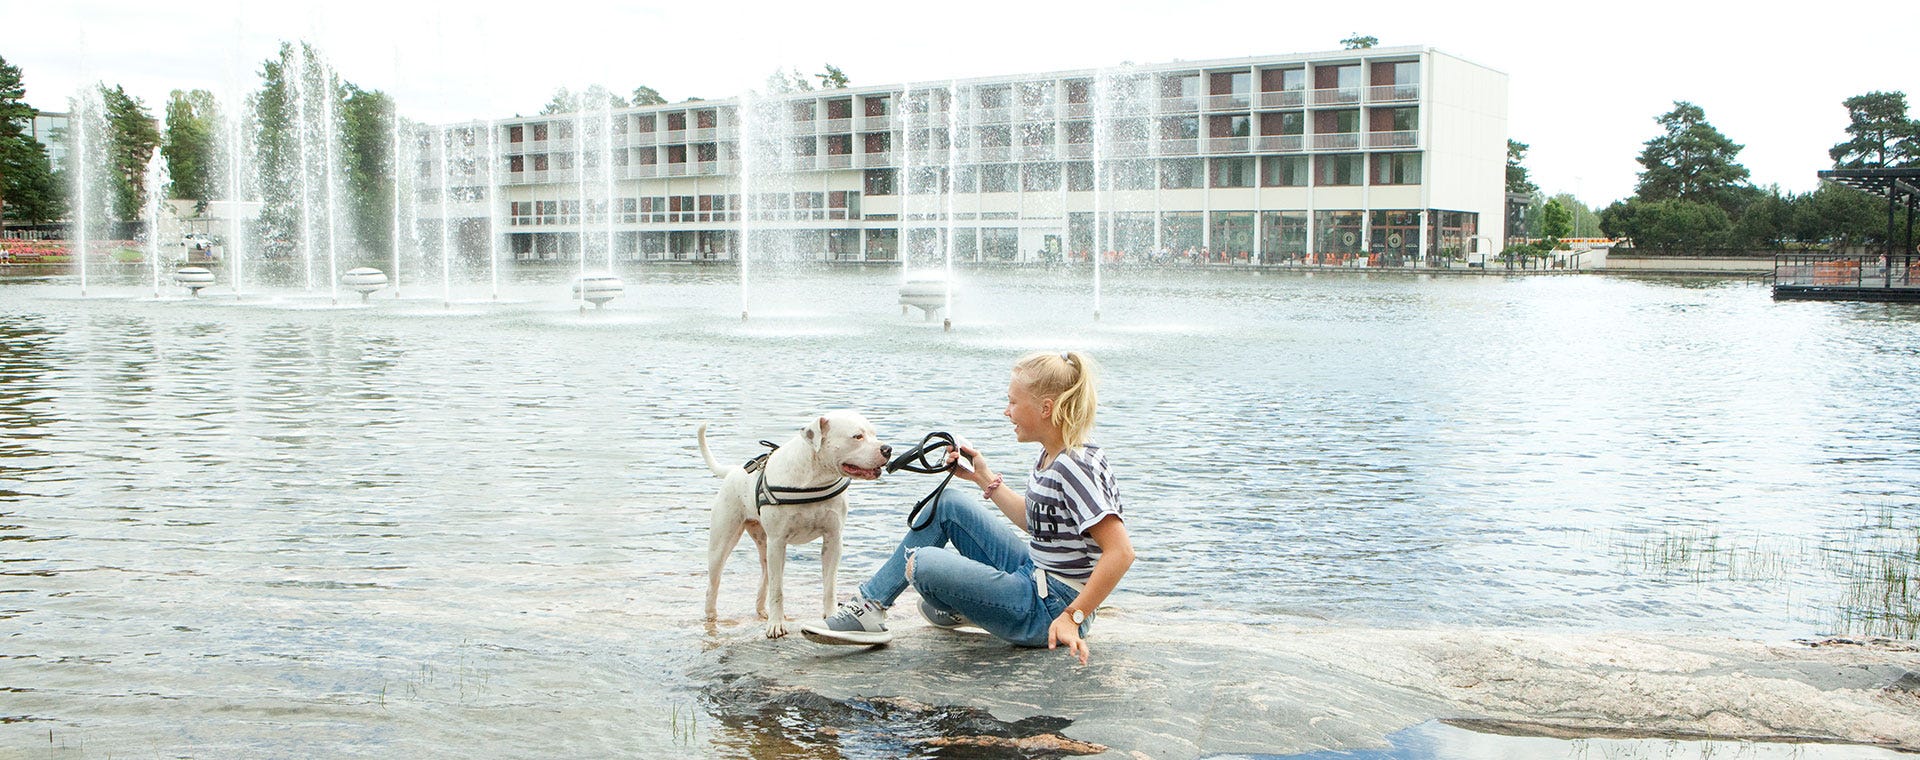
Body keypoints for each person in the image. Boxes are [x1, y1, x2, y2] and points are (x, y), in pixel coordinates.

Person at [800, 351, 1134, 665]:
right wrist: (981, 477)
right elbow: (1036, 526)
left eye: (1013, 402)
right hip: (1034, 574)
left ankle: (944, 606)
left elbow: (1120, 553)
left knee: (922, 563)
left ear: (1045, 409)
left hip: (1049, 608)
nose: (1007, 411)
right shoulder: (1053, 455)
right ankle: (876, 606)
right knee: (946, 504)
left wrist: (1071, 618)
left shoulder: (1075, 466)